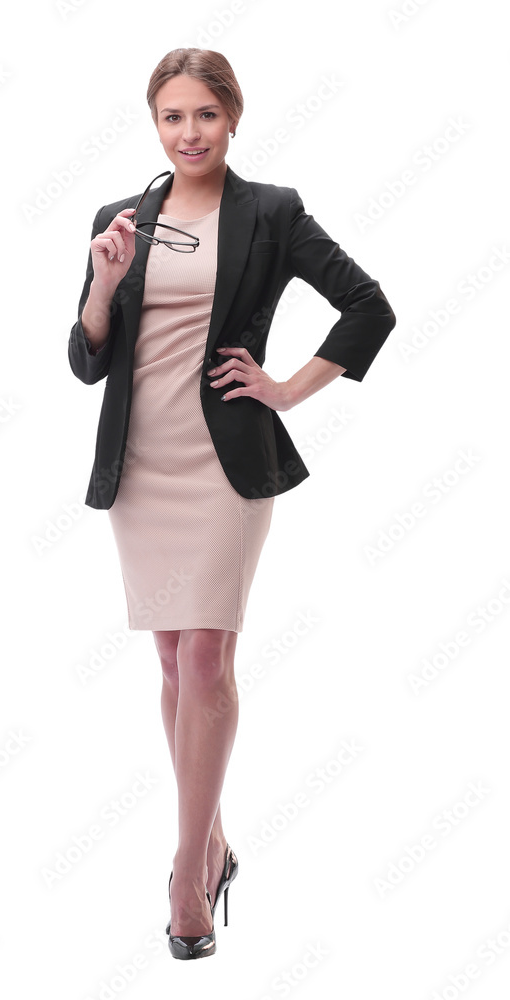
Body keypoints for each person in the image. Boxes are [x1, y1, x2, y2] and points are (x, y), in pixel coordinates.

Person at [68, 48, 396, 960]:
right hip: (141, 464)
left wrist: (286, 388)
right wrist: (103, 282)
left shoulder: (271, 212)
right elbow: (87, 357)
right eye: (172, 117)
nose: (189, 133)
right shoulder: (117, 219)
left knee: (207, 657)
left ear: (233, 118)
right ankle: (212, 840)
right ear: (154, 123)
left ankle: (186, 873)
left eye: (205, 115)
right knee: (173, 665)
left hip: (224, 466)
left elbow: (367, 306)